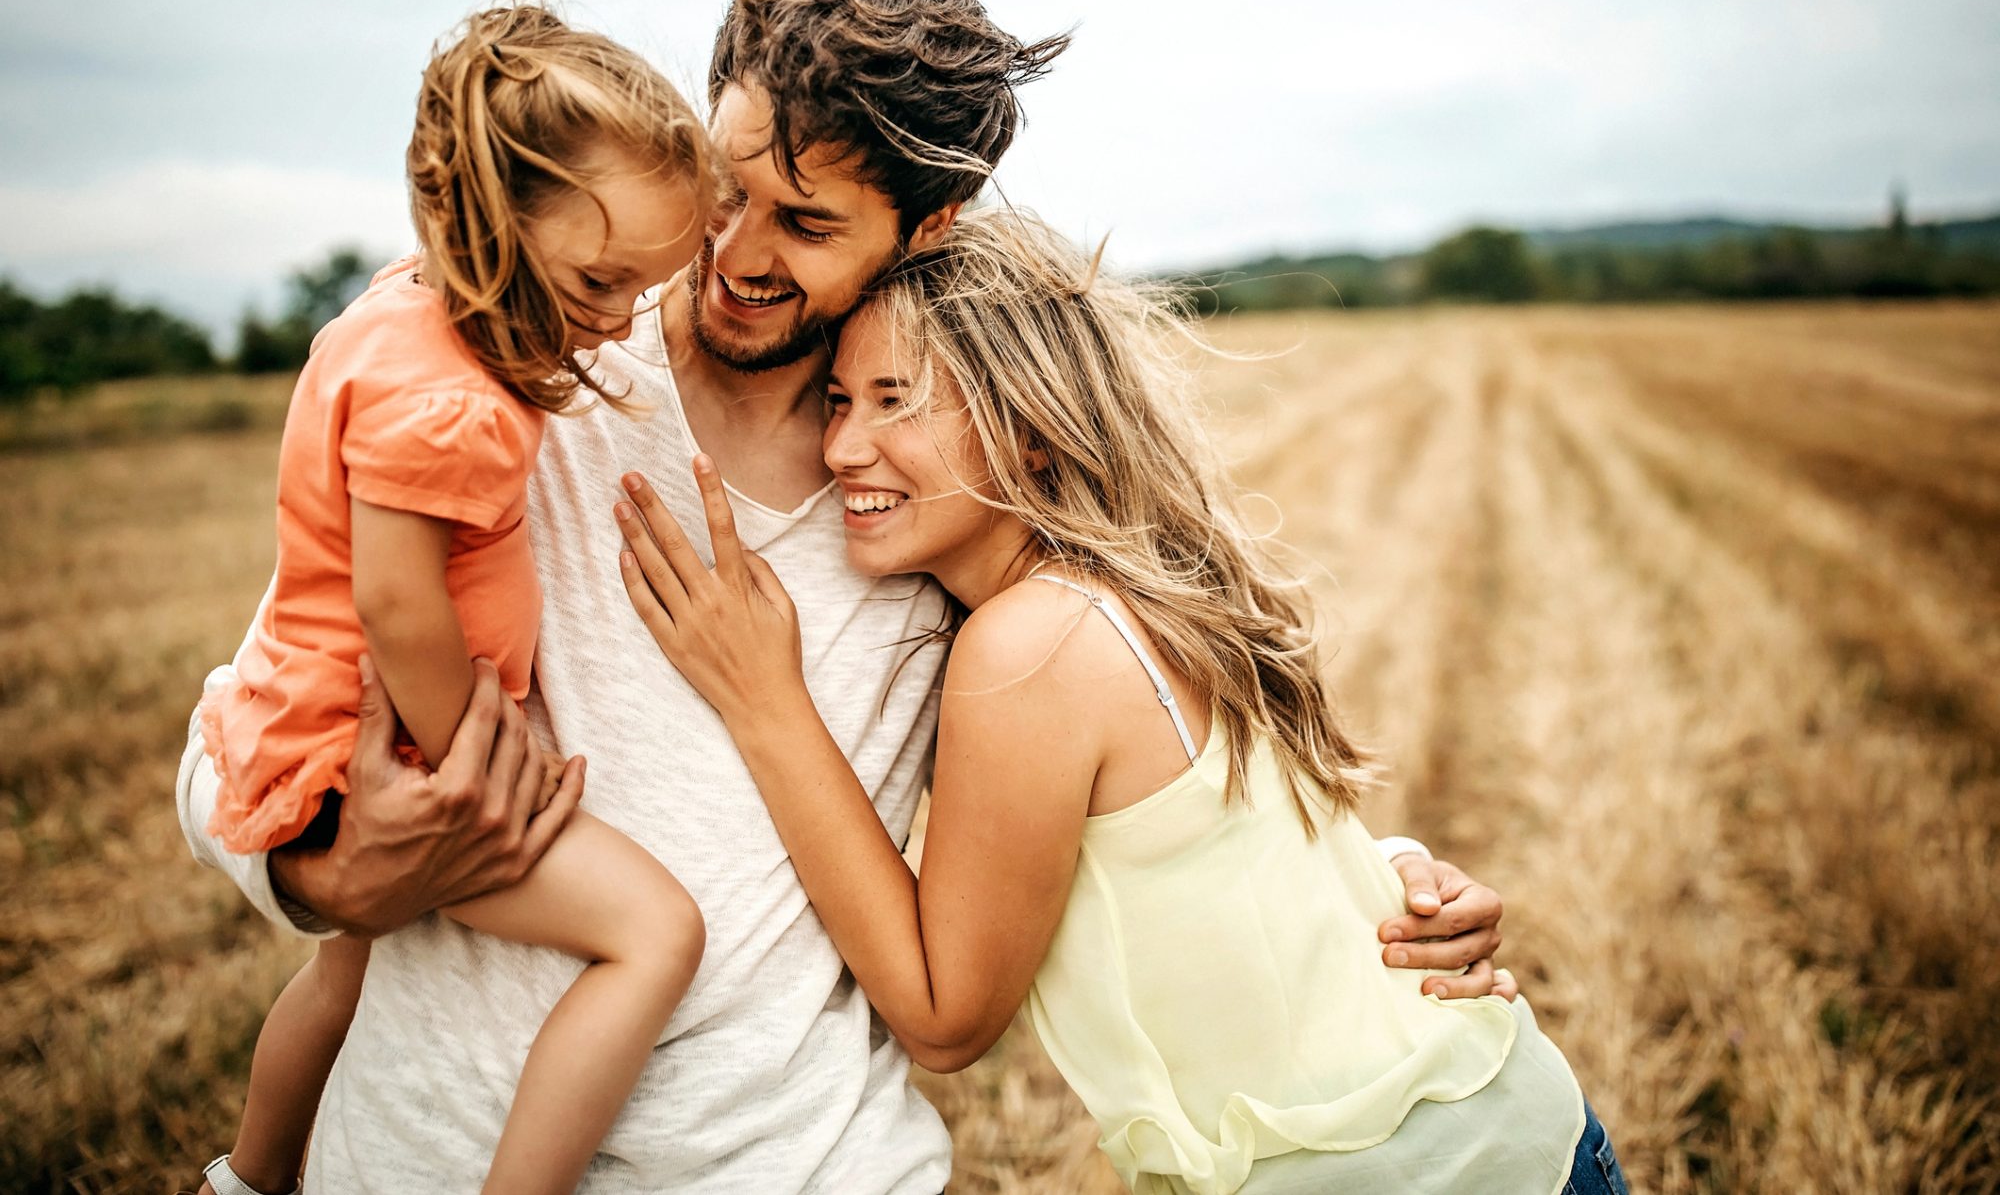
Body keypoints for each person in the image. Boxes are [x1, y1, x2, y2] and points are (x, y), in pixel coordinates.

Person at [178, 0, 1512, 1190]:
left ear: (925, 228)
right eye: (726, 189)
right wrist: (316, 875)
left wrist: (1377, 890)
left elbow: (1129, 711)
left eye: (806, 227)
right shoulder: (517, 359)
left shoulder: (924, 482)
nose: (735, 256)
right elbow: (257, 715)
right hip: (425, 1153)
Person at [612, 207, 1628, 1195]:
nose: (842, 448)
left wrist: (764, 699)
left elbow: (942, 1016)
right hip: (1506, 1134)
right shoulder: (1128, 595)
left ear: (1035, 434)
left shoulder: (1031, 644)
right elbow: (1228, 857)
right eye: (839, 401)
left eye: (897, 400)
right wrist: (1400, 871)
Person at [193, 2, 716, 1195]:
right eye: (601, 275)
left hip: (306, 727)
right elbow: (399, 606)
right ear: (494, 215)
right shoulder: (460, 405)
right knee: (655, 935)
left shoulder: (395, 318)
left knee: (341, 981)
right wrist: (477, 765)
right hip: (374, 759)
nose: (625, 312)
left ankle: (247, 1177)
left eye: (648, 283)